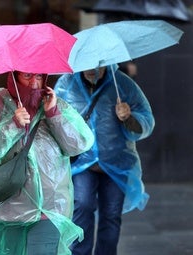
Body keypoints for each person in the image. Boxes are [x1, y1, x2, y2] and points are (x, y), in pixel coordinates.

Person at [0, 71, 95, 255]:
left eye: (39, 77)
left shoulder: (52, 102)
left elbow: (79, 144)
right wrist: (12, 124)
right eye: (27, 76)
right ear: (15, 77)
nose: (34, 82)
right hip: (9, 209)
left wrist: (53, 114)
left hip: (49, 209)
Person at [54, 65, 155, 255]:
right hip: (82, 164)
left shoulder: (122, 84)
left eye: (96, 64)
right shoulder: (66, 84)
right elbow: (54, 118)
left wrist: (128, 117)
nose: (91, 69)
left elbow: (146, 117)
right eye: (87, 64)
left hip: (117, 163)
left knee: (111, 215)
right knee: (82, 206)